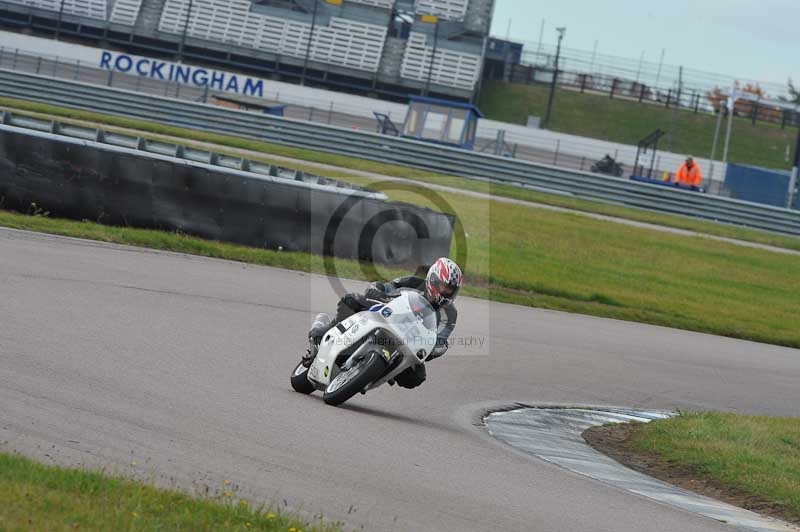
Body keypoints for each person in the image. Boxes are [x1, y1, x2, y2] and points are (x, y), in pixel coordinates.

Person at [304, 257, 463, 389]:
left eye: (450, 290)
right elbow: (386, 286)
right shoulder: (413, 282)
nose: (445, 292)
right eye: (443, 286)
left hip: (408, 343)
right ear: (432, 279)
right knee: (351, 300)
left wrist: (436, 348)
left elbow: (441, 338)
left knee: (416, 377)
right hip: (383, 315)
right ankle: (323, 332)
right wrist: (376, 289)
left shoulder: (450, 314)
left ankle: (375, 371)